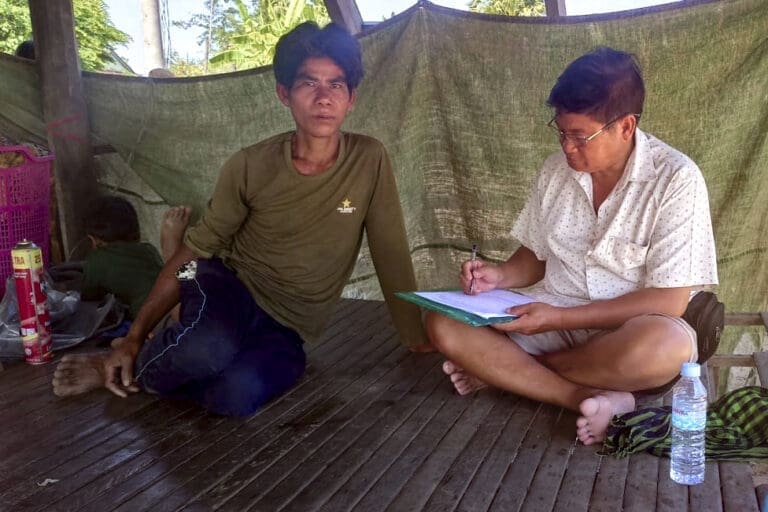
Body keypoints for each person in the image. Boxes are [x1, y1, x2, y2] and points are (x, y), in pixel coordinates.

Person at [52, 22, 428, 416]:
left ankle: (180, 353)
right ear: (284, 93)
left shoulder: (369, 159)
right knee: (207, 347)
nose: (323, 98)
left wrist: (415, 336)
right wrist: (133, 334)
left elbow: (391, 250)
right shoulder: (250, 165)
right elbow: (195, 253)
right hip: (226, 285)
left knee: (237, 395)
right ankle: (127, 365)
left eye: (336, 85)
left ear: (351, 99)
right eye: (308, 83)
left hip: (288, 327)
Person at [425, 47, 718, 446]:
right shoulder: (555, 172)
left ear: (626, 127)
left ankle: (509, 374)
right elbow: (534, 259)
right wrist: (499, 275)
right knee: (442, 323)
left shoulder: (676, 179)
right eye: (561, 132)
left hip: (626, 332)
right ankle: (579, 396)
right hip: (553, 315)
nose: (567, 147)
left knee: (667, 349)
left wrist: (556, 320)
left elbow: (669, 302)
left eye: (580, 136)